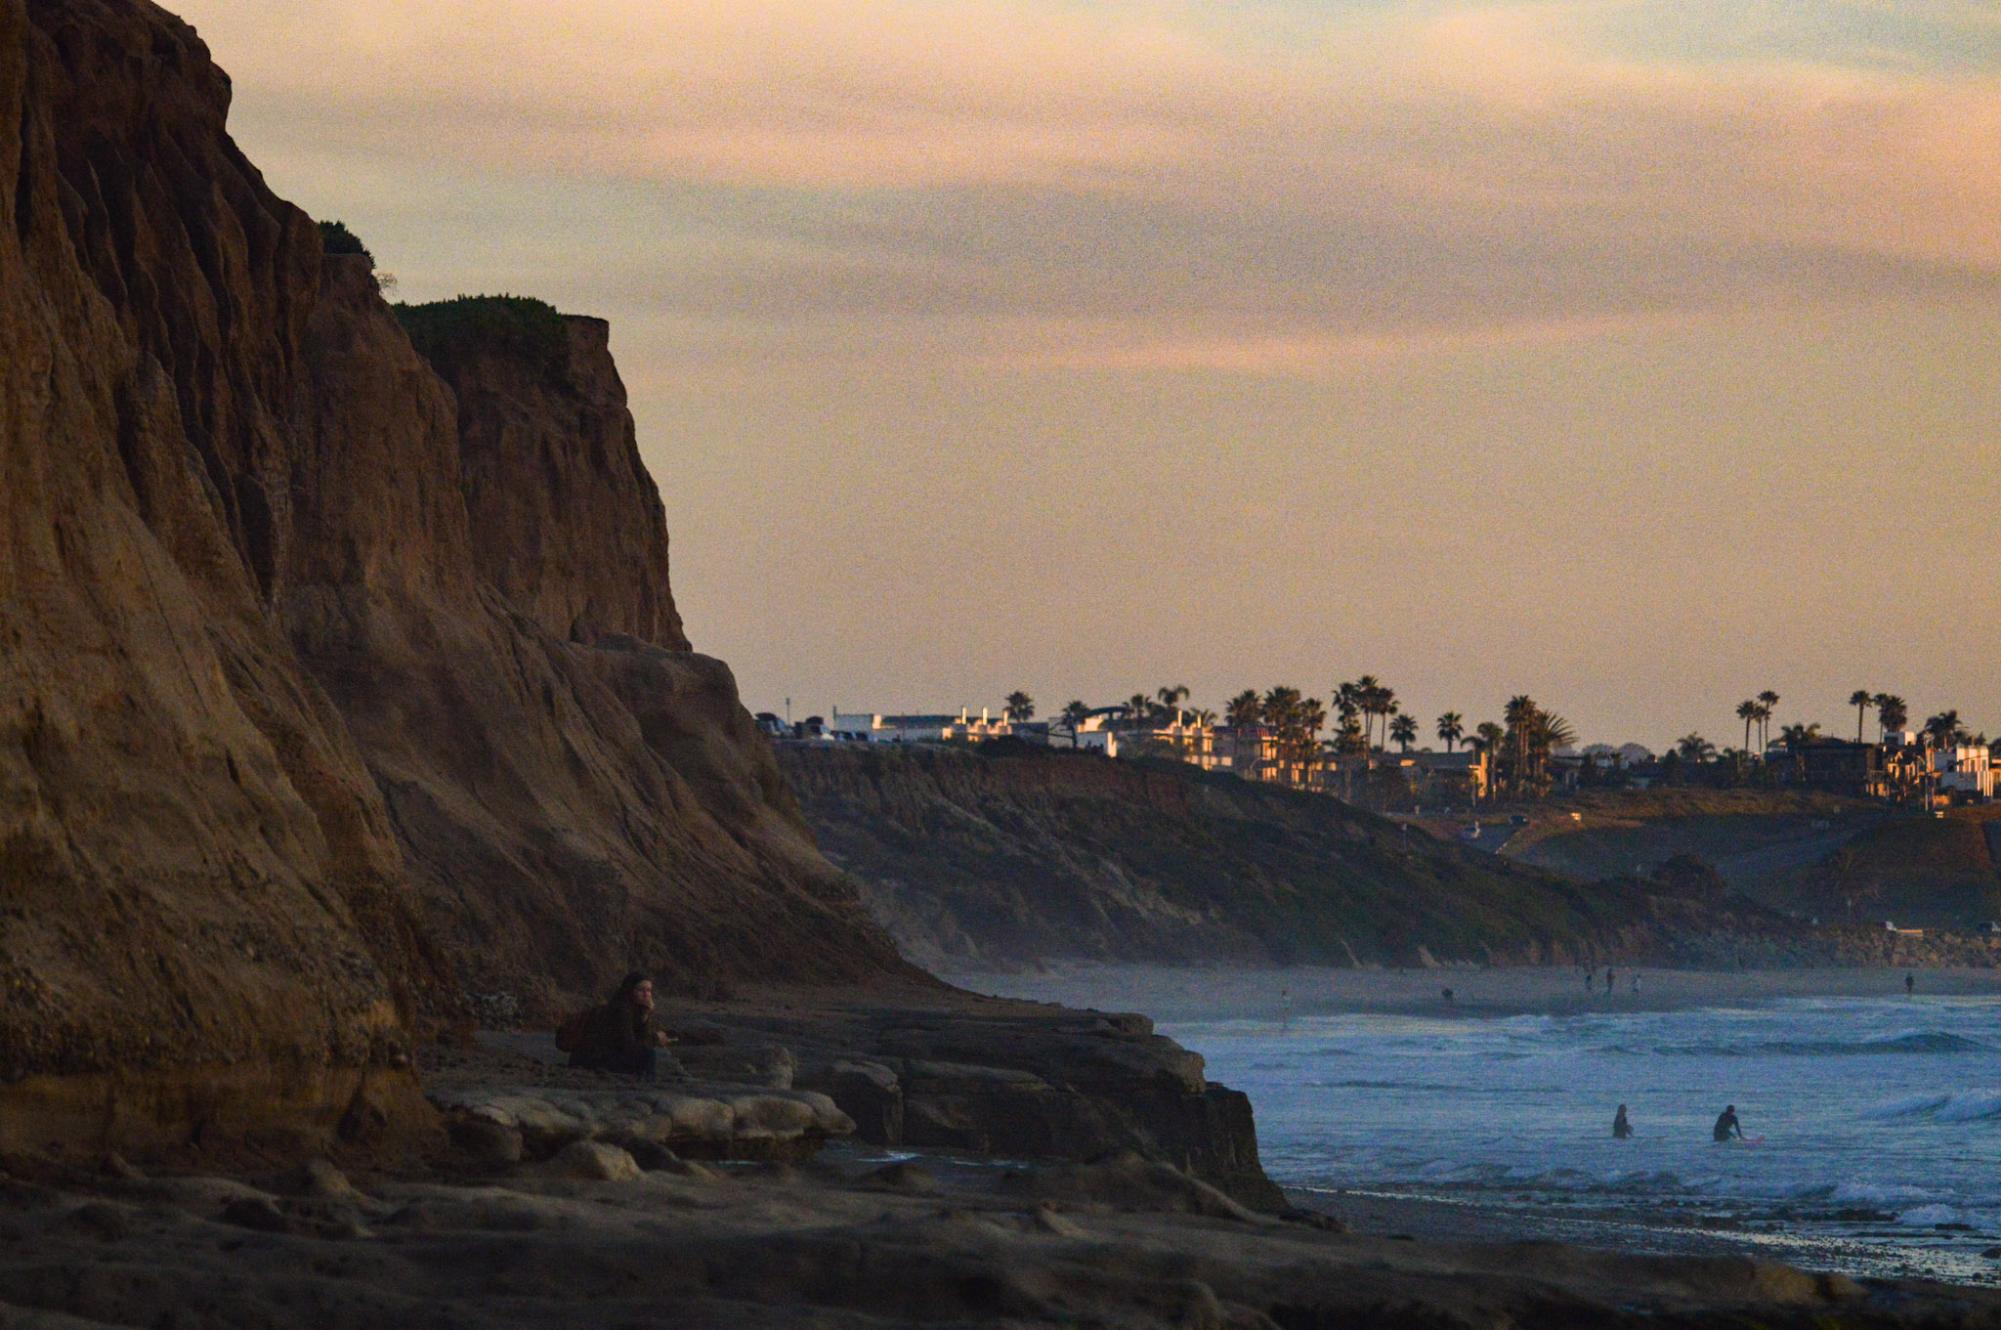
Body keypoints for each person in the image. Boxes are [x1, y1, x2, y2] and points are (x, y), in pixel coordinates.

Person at [569, 971, 666, 1079]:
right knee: (649, 1054)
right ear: (630, 990)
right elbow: (628, 1046)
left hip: (606, 1055)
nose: (646, 994)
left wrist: (645, 1015)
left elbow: (638, 1039)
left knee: (646, 1055)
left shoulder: (633, 1009)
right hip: (592, 1058)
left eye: (648, 990)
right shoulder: (621, 1009)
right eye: (641, 990)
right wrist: (655, 1038)